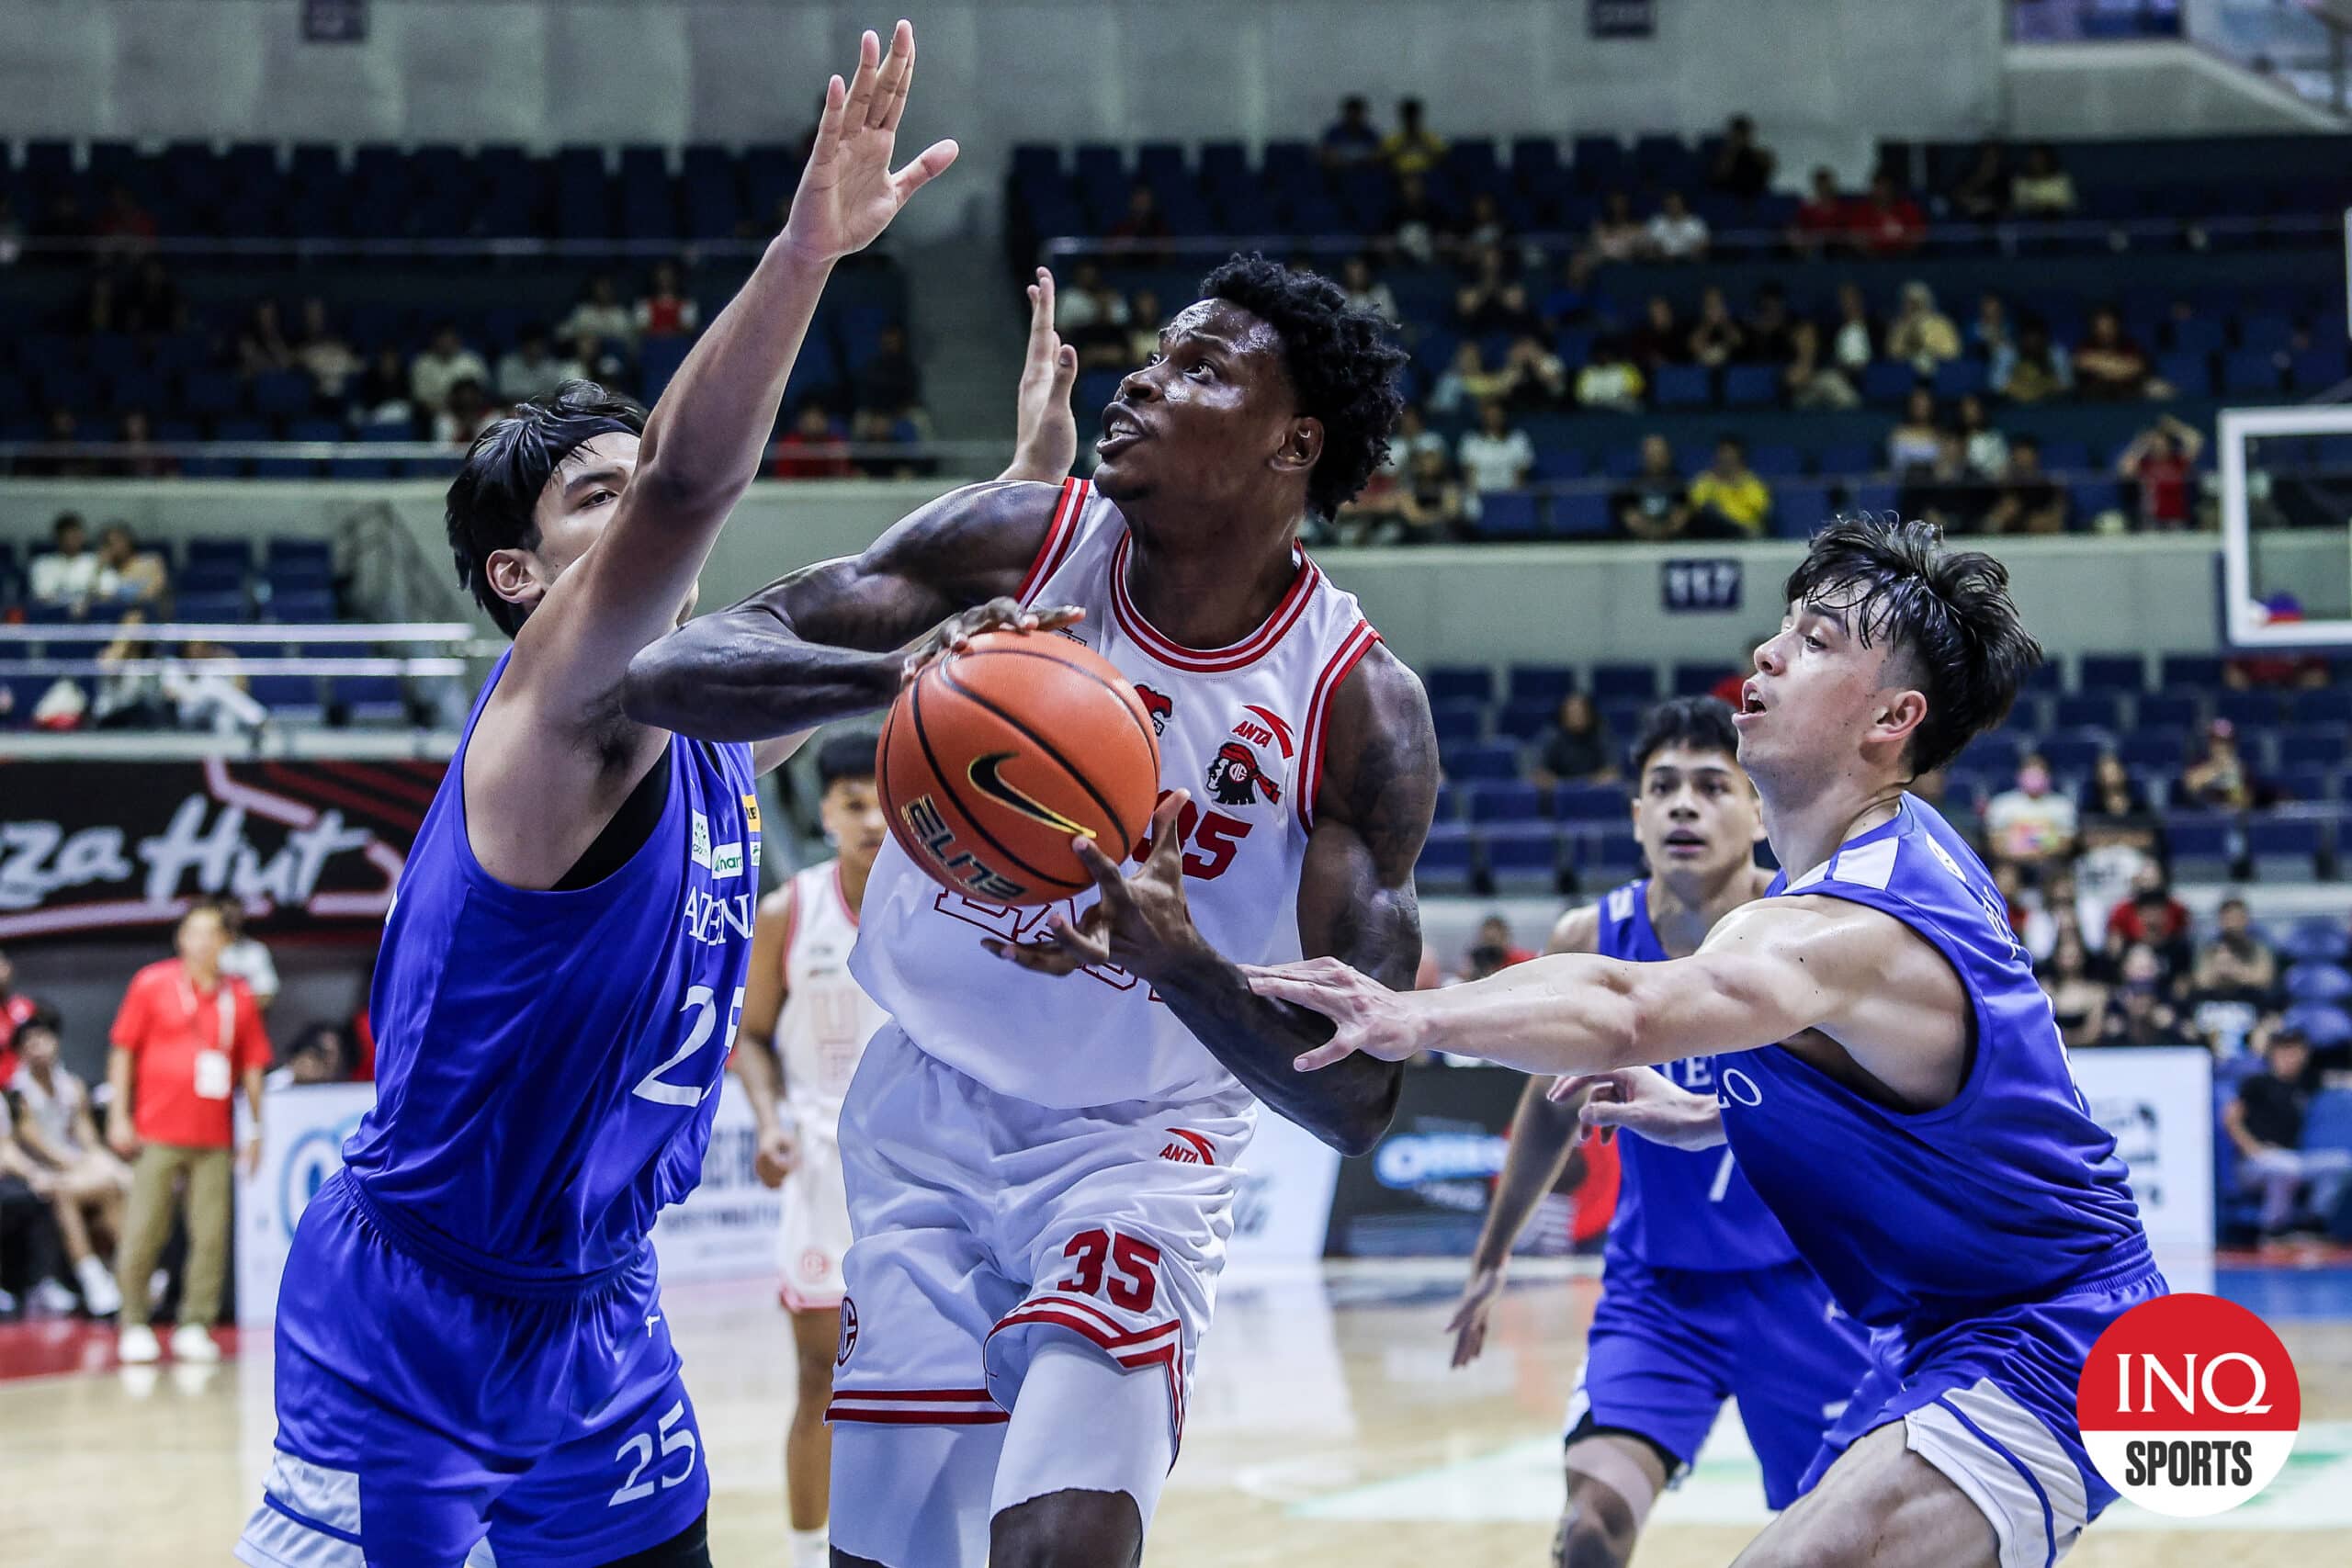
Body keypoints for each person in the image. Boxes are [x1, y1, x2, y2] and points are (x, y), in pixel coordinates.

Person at [233, 27, 962, 1568]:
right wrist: (805, 254)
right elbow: (700, 488)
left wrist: (1033, 526)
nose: (639, 510)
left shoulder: (693, 724)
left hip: (597, 1308)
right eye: (595, 496)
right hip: (413, 1315)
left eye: (636, 479)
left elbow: (842, 622)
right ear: (520, 576)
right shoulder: (558, 708)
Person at [619, 252, 1437, 1568]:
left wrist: (1177, 962)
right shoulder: (1021, 540)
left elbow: (1357, 1099)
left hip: (1143, 1142)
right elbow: (672, 670)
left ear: (1297, 443)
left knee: (1059, 1541)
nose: (1143, 381)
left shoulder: (1356, 706)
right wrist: (887, 673)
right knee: (886, 1553)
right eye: (1157, 353)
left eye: (1200, 370)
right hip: (924, 1115)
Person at [1253, 516, 2165, 1568]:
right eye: (1783, 629)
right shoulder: (1883, 861)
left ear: (1892, 717)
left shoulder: (1846, 925)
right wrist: (1707, 1112)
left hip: (2057, 1339)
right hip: (1944, 1331)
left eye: (1817, 641)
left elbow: (1625, 1006)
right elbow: (1902, 1094)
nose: (1768, 653)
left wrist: (1414, 1015)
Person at [1451, 699, 1873, 1565]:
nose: (1685, 804)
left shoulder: (1815, 934)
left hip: (1809, 1288)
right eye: (1663, 786)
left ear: (1760, 812)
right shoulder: (1590, 937)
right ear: (1636, 814)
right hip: (1659, 1292)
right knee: (1590, 1529)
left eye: (1715, 785)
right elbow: (1548, 1108)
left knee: (1834, 1546)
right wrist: (1492, 1253)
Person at [728, 734, 892, 1568]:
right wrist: (767, 1122)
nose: (871, 819)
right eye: (853, 802)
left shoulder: (936, 906)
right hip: (825, 1171)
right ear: (824, 809)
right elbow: (750, 1038)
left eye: (882, 801)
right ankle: (803, 1555)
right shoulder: (789, 913)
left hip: (921, 1176)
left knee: (946, 1383)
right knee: (821, 1379)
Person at [108, 903, 272, 1364]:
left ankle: (195, 1323)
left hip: (214, 1135)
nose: (201, 942)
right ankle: (133, 1320)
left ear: (225, 942)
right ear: (181, 939)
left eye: (210, 934)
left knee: (210, 1234)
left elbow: (254, 1066)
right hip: (157, 1129)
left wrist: (256, 1128)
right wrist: (119, 1115)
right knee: (143, 1229)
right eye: (192, 933)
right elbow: (123, 1050)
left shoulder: (238, 995)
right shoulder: (152, 983)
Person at [9, 1007, 130, 1315]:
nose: (38, 1047)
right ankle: (93, 1280)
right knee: (67, 1193)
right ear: (21, 1052)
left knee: (112, 1187)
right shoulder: (18, 1093)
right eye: (29, 1043)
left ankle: (128, 1271)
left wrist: (101, 1163)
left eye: (42, 1039)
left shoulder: (72, 1086)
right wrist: (82, 1167)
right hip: (34, 1172)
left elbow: (87, 1136)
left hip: (74, 1170)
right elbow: (36, 1142)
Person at [2226, 1024, 2351, 1242]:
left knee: (2342, 1164)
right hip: (2255, 1163)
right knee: (2285, 1167)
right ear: (2273, 1053)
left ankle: (2312, 1225)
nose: (2290, 1056)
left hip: (2293, 1158)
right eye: (2285, 1050)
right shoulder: (2258, 1082)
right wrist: (2254, 1149)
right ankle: (2272, 1231)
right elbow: (2230, 1118)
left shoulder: (2306, 1083)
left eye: (2295, 1050)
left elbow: (2342, 1080)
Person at [2116, 414, 2202, 529]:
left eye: (2162, 443)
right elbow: (2124, 470)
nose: (2159, 447)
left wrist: (2175, 427)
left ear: (2168, 444)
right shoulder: (2145, 464)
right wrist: (2142, 443)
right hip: (2152, 519)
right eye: (2155, 444)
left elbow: (2196, 440)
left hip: (2177, 518)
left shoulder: (2178, 462)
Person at [1685, 435, 1771, 538]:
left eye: (1730, 456)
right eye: (1722, 455)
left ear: (1739, 458)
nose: (1726, 460)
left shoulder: (1752, 482)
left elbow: (1761, 509)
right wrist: (1715, 486)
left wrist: (1737, 488)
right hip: (1712, 532)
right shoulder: (1704, 481)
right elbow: (1695, 506)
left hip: (1746, 532)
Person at [2099, 942, 2182, 1046]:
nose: (2143, 975)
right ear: (2125, 969)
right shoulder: (2113, 1002)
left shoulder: (2169, 998)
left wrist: (2174, 1025)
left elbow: (2190, 1033)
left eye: (2148, 968)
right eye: (2139, 968)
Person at [1982, 436, 2068, 535]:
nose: (2024, 459)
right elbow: (1988, 526)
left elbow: (2058, 520)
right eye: (2020, 454)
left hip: (2040, 540)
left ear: (2035, 456)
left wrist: (2044, 520)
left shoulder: (2047, 486)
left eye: (2027, 454)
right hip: (2007, 541)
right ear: (2013, 457)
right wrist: (2001, 517)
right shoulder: (2003, 487)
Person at [2038, 931, 2109, 1050]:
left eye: (2074, 955)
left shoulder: (2095, 992)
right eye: (2065, 955)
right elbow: (2039, 1029)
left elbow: (2093, 1033)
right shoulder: (2044, 990)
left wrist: (2063, 1039)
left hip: (2089, 1056)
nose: (2070, 960)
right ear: (2056, 958)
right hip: (2053, 1055)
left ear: (2082, 957)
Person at [1612, 434, 1690, 540]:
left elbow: (1681, 518)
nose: (1656, 458)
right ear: (1643, 455)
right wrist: (1649, 530)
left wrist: (1662, 530)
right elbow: (1630, 518)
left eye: (1660, 453)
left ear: (1668, 455)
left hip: (1673, 543)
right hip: (1638, 545)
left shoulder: (1680, 485)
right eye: (1652, 453)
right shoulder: (1630, 486)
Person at [210, 897, 281, 1013]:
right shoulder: (203, 951)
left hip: (244, 1018)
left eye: (235, 915)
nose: (231, 920)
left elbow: (266, 994)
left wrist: (238, 1014)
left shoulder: (255, 950)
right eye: (226, 915)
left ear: (243, 917)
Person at [409, 321, 492, 416]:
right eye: (442, 338)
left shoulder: (472, 361)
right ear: (434, 340)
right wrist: (446, 412)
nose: (445, 343)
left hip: (472, 413)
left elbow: (483, 393)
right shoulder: (422, 364)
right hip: (436, 414)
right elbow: (421, 400)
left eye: (449, 338)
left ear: (457, 339)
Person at [1532, 692, 1614, 786]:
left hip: (1595, 792)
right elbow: (1541, 773)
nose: (1576, 716)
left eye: (1580, 712)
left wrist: (1594, 782)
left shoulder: (1602, 737)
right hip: (1560, 793)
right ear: (1563, 714)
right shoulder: (1552, 739)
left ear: (1589, 714)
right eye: (1572, 712)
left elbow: (1611, 771)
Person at [2073, 308, 2152, 402]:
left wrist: (2098, 364)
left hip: (2128, 400)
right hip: (2093, 403)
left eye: (2109, 326)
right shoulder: (2084, 346)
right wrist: (2120, 366)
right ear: (2094, 329)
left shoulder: (2130, 345)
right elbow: (2081, 362)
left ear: (2117, 327)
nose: (2105, 331)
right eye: (2100, 327)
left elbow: (2137, 368)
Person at [1456, 400, 1534, 493]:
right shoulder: (1470, 441)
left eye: (1497, 415)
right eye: (1490, 415)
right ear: (1483, 417)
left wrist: (1512, 500)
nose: (1493, 419)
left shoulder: (1518, 439)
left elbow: (1520, 477)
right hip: (1479, 496)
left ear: (1504, 416)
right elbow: (1469, 477)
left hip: (1509, 496)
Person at [2181, 716, 2256, 810]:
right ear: (2210, 743)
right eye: (2217, 741)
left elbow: (2247, 801)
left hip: (2229, 818)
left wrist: (2234, 778)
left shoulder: (2241, 768)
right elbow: (2190, 786)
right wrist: (2216, 769)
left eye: (2227, 742)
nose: (2222, 747)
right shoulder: (2198, 762)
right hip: (2203, 817)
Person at [1884, 282, 1960, 374]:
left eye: (1916, 303)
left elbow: (1952, 352)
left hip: (1940, 375)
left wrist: (1930, 351)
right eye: (1908, 303)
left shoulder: (1942, 324)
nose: (1912, 307)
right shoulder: (1898, 327)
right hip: (1905, 376)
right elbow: (1893, 354)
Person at [29, 512, 99, 611]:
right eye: (67, 536)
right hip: (53, 617)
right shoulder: (42, 564)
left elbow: (106, 594)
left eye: (75, 535)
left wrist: (85, 603)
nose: (71, 541)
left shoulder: (96, 562)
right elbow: (42, 596)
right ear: (58, 538)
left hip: (92, 616)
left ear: (82, 536)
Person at [1708, 113, 1776, 200]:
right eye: (1737, 134)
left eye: (1743, 134)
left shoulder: (1756, 156)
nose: (1740, 138)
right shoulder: (1721, 153)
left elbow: (1762, 179)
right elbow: (1717, 178)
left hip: (1749, 198)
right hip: (1726, 197)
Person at [1380, 96, 1447, 180]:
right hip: (1400, 176)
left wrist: (1423, 145)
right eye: (1408, 117)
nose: (1411, 120)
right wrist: (1402, 147)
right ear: (1403, 117)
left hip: (1427, 176)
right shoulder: (1393, 139)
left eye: (1413, 116)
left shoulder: (1430, 138)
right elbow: (1383, 160)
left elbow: (1442, 158)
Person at [2010, 143, 2078, 218]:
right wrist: (2038, 207)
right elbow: (2019, 206)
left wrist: (2049, 207)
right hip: (2027, 224)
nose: (2037, 162)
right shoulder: (2021, 181)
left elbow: (2069, 205)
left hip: (2059, 222)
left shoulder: (2061, 180)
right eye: (2034, 159)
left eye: (2041, 159)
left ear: (2048, 159)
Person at [1319, 95, 1382, 170]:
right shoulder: (1333, 133)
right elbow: (1324, 153)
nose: (1353, 118)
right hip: (1339, 173)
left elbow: (1377, 154)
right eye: (1351, 114)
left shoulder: (1370, 134)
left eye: (1356, 114)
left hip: (1364, 171)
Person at [1645, 190, 1709, 262]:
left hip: (1690, 263)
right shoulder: (1656, 222)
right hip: (1662, 264)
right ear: (1665, 205)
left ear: (1683, 204)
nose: (1673, 206)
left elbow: (1704, 244)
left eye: (1676, 203)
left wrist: (1690, 255)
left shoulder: (1695, 223)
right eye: (1670, 204)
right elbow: (1650, 245)